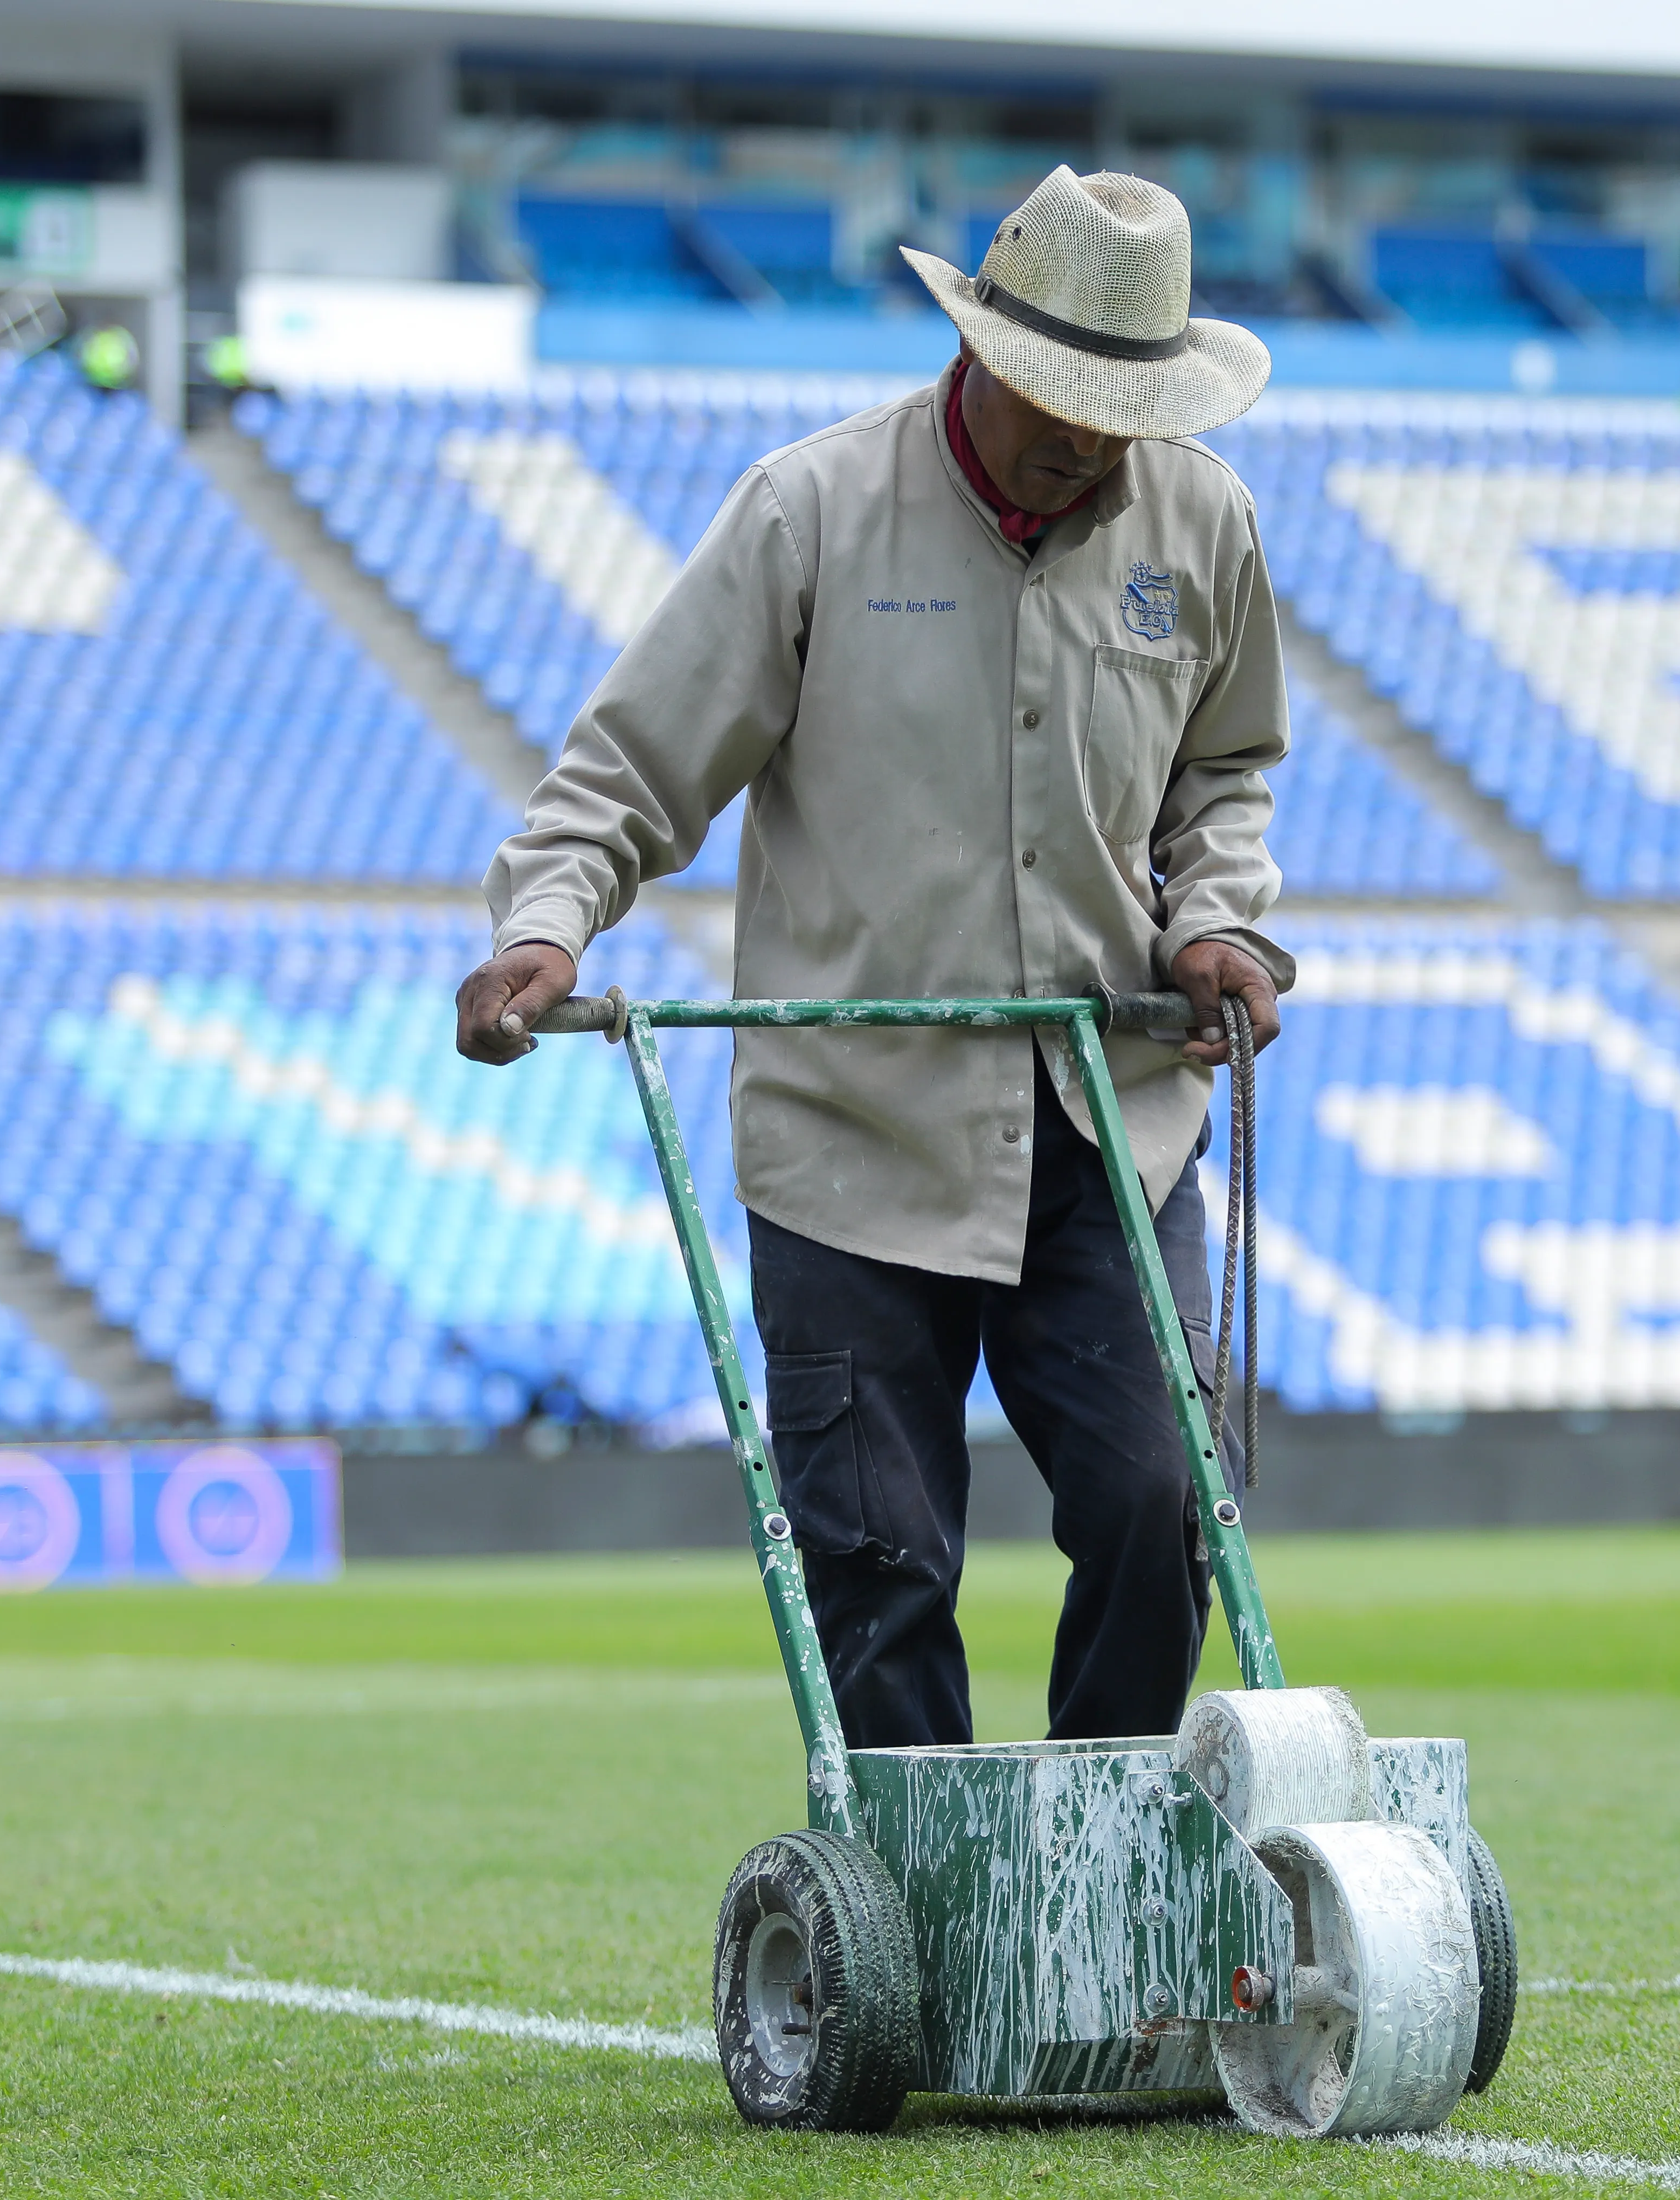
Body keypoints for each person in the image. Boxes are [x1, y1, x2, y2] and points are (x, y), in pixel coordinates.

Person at [454, 167, 1289, 1751]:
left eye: (1123, 406)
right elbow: (627, 773)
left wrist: (1217, 917)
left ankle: (1100, 1878)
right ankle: (932, 1928)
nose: (1089, 436)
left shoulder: (1206, 521)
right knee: (882, 1565)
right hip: (852, 1133)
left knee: (1164, 1503)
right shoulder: (811, 512)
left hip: (1110, 1121)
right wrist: (546, 927)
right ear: (976, 350)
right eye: (1059, 396)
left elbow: (1224, 774)